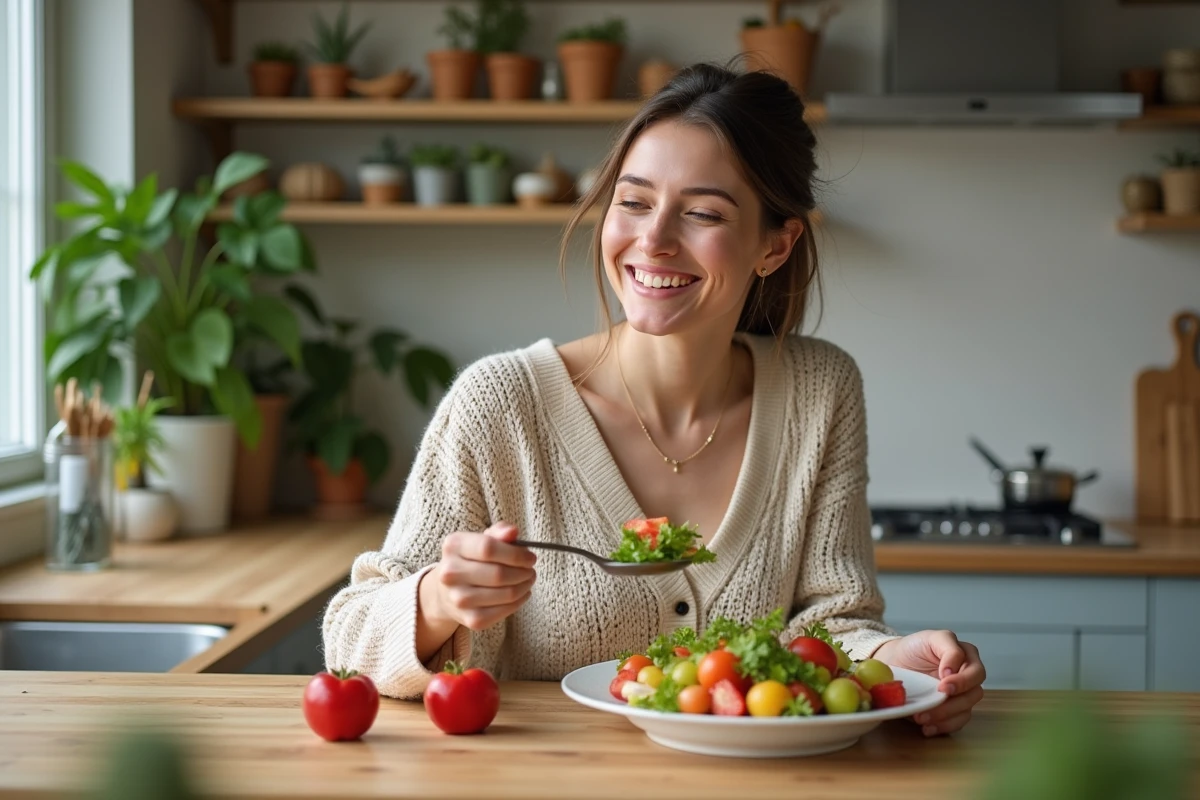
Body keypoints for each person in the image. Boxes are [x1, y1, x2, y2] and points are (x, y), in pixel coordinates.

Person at [323, 62, 986, 737]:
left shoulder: (819, 391)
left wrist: (896, 661)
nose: (654, 240)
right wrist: (437, 599)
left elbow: (830, 624)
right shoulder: (501, 403)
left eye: (702, 213)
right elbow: (350, 638)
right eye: (634, 201)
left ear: (775, 245)